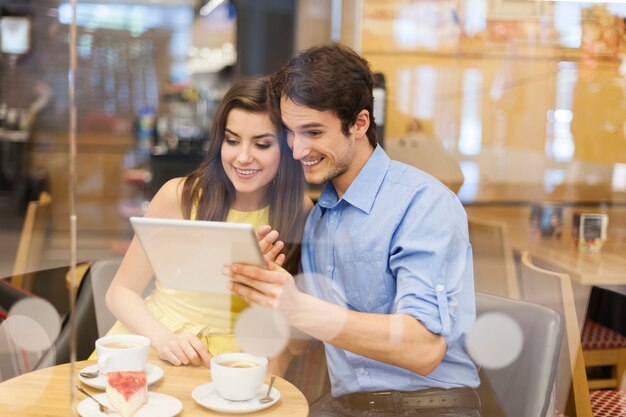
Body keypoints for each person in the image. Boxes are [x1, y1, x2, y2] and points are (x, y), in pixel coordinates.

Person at [225, 44, 483, 416]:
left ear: (359, 123)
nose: (298, 150)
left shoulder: (423, 204)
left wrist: (299, 307)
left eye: (313, 132)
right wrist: (268, 292)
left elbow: (424, 349)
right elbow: (303, 343)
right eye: (291, 133)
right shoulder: (319, 219)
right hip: (346, 407)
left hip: (429, 405)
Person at [105, 76, 311, 371]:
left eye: (262, 144)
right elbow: (120, 292)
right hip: (159, 341)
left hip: (237, 360)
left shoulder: (298, 210)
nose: (242, 157)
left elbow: (297, 345)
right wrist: (163, 339)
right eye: (232, 140)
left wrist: (264, 293)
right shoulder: (180, 196)